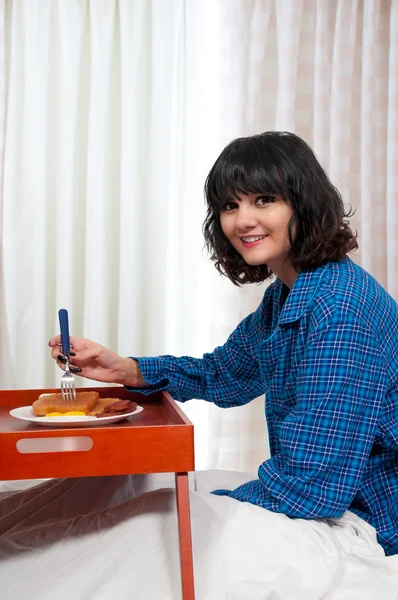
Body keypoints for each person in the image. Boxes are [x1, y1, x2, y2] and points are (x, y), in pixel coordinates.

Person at [49, 130, 398, 558]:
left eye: (263, 200)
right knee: (124, 502)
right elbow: (225, 374)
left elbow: (312, 488)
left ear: (303, 204)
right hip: (326, 507)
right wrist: (124, 369)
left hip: (369, 525)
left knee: (136, 529)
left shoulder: (339, 308)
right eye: (230, 205)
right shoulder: (290, 294)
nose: (242, 220)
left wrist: (213, 508)